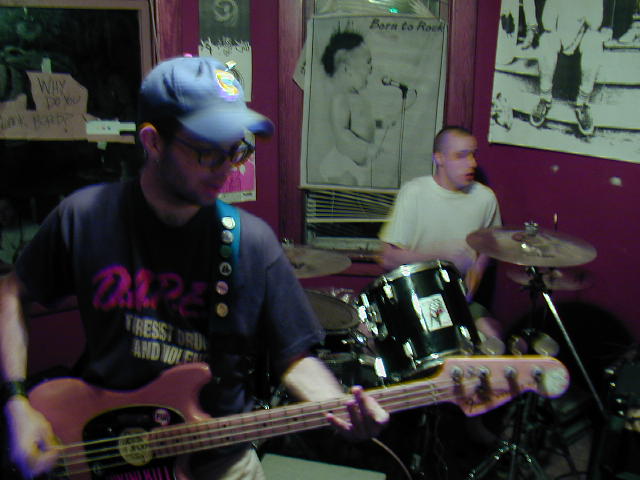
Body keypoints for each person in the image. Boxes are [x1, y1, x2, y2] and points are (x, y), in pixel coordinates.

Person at [0, 56, 388, 480]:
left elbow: (294, 356)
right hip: (108, 449)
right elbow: (12, 292)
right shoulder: (84, 216)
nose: (226, 168)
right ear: (153, 142)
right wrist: (16, 401)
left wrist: (339, 407)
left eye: (235, 150)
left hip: (218, 460)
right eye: (206, 152)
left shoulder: (252, 243)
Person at [378, 126, 503, 342]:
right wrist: (439, 255)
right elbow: (387, 258)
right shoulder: (414, 192)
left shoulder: (485, 198)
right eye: (461, 156)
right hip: (415, 296)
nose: (472, 163)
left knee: (493, 337)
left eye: (473, 155)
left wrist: (475, 274)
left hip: (459, 300)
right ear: (439, 158)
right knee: (370, 334)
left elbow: (488, 249)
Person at [529, 0, 605, 136]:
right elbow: (547, 23)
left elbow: (595, 23)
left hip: (582, 39)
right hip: (561, 37)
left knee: (594, 40)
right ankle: (545, 98)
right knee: (546, 39)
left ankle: (582, 103)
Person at [317, 30, 378, 187]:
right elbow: (341, 134)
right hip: (344, 163)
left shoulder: (356, 97)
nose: (371, 69)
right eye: (367, 62)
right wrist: (366, 149)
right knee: (347, 189)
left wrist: (381, 122)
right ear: (346, 69)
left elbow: (362, 121)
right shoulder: (340, 98)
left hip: (357, 163)